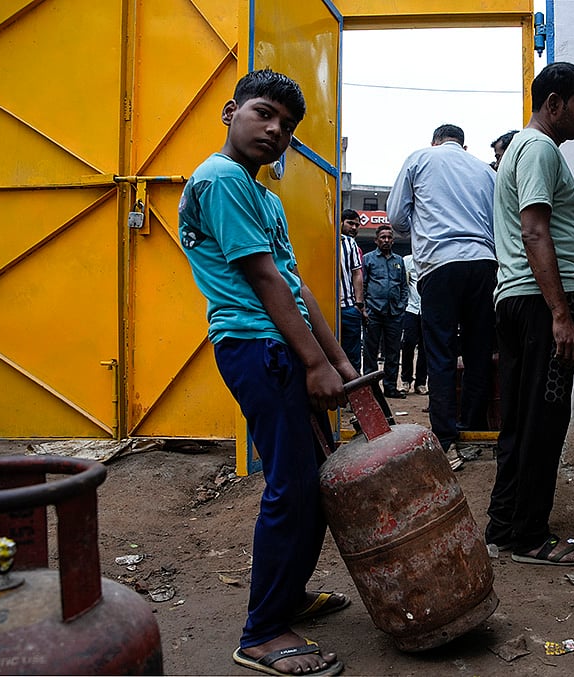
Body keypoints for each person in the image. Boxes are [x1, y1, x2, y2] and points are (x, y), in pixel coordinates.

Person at [177, 68, 349, 676]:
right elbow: (264, 280)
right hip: (257, 345)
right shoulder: (220, 179)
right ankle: (262, 632)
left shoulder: (265, 197)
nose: (275, 130)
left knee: (311, 482)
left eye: (287, 124)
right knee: (292, 485)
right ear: (230, 112)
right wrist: (312, 361)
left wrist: (340, 362)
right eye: (264, 114)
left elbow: (297, 287)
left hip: (283, 343)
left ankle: (286, 595)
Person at [485, 62, 574, 566]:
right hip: (541, 303)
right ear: (554, 103)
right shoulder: (540, 148)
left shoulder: (525, 151)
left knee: (523, 421)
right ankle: (528, 537)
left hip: (521, 300)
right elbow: (534, 232)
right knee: (544, 419)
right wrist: (560, 314)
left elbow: (548, 224)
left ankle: (504, 528)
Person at [387, 124, 497, 458]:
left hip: (439, 265)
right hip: (484, 263)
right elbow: (496, 220)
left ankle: (446, 438)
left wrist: (419, 225)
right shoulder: (484, 169)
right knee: (480, 352)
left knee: (440, 352)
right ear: (463, 144)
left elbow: (395, 217)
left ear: (435, 140)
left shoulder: (420, 158)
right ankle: (474, 431)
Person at [361, 224, 408, 398]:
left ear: (393, 240)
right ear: (376, 240)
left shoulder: (399, 261)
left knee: (393, 353)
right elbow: (363, 285)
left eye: (389, 237)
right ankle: (372, 390)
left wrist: (402, 306)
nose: (386, 240)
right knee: (370, 353)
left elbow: (403, 286)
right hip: (373, 313)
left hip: (394, 314)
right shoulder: (368, 259)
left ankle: (390, 388)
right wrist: (364, 308)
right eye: (383, 237)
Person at [338, 208, 364, 373]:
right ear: (340, 222)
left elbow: (357, 273)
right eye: (350, 223)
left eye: (357, 225)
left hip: (348, 307)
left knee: (353, 356)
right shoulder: (322, 237)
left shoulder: (349, 243)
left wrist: (358, 304)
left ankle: (353, 395)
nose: (354, 228)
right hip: (324, 308)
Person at [399, 253, 428, 395]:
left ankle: (421, 382)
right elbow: (403, 283)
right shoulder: (407, 260)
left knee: (425, 347)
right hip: (411, 308)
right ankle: (406, 380)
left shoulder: (431, 259)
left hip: (428, 309)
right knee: (408, 343)